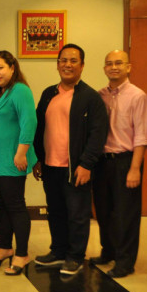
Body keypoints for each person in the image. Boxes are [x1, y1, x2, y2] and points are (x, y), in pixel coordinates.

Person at [33, 44, 108, 276]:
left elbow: (98, 133)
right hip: (50, 166)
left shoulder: (90, 97)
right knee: (55, 211)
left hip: (75, 168)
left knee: (77, 214)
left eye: (73, 60)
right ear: (57, 64)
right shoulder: (48, 94)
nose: (68, 64)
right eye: (63, 60)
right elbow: (39, 128)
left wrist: (86, 164)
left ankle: (75, 256)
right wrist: (38, 159)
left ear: (82, 65)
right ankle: (58, 251)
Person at [90, 50, 147, 278]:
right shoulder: (99, 95)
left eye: (119, 63)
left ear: (129, 67)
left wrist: (135, 168)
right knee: (104, 211)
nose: (113, 67)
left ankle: (125, 261)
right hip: (102, 162)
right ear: (104, 68)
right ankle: (109, 251)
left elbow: (143, 137)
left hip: (126, 161)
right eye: (109, 64)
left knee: (126, 214)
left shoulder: (138, 97)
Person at [0, 51, 37, 275]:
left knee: (16, 206)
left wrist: (22, 152)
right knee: (3, 206)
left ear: (12, 67)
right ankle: (5, 247)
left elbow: (29, 121)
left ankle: (22, 253)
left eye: (0, 68)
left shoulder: (20, 90)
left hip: (13, 159)